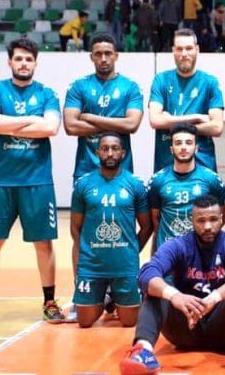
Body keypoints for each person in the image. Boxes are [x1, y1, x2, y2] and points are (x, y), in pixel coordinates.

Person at [0, 38, 64, 329]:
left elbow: (51, 127)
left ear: (36, 63)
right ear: (9, 61)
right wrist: (30, 119)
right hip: (1, 181)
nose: (23, 63)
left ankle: (49, 302)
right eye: (18, 58)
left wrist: (7, 123)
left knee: (43, 243)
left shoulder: (47, 93)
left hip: (38, 181)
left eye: (28, 59)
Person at [119, 195, 225, 375]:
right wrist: (174, 295)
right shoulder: (179, 245)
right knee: (156, 292)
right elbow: (147, 273)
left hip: (224, 330)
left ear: (222, 219)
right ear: (192, 221)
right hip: (185, 327)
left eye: (213, 219)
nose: (207, 226)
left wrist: (214, 297)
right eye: (201, 220)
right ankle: (142, 352)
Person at [70, 132, 152, 328]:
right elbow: (75, 227)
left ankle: (113, 296)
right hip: (92, 266)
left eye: (115, 149)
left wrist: (132, 250)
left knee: (129, 322)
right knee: (85, 322)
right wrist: (87, 252)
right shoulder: (83, 184)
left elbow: (147, 226)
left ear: (123, 153)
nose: (109, 153)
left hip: (124, 265)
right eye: (105, 149)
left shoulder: (135, 184)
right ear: (97, 153)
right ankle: (105, 297)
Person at [64, 34, 145, 182]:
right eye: (98, 54)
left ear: (116, 56)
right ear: (91, 57)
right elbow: (71, 127)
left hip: (122, 170)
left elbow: (132, 125)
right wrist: (117, 125)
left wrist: (89, 117)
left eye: (108, 53)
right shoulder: (78, 86)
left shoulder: (131, 87)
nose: (103, 59)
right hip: (86, 169)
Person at [148, 28, 224, 173]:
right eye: (179, 49)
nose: (184, 54)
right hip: (166, 167)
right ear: (173, 51)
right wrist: (197, 118)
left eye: (189, 48)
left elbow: (217, 127)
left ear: (197, 50)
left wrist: (171, 122)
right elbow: (155, 121)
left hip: (203, 167)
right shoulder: (161, 80)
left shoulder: (210, 82)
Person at [147, 123, 225, 250]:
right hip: (168, 250)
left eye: (188, 143)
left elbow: (221, 215)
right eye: (178, 143)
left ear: (196, 148)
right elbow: (155, 220)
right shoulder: (157, 180)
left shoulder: (212, 179)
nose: (183, 147)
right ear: (171, 149)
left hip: (199, 251)